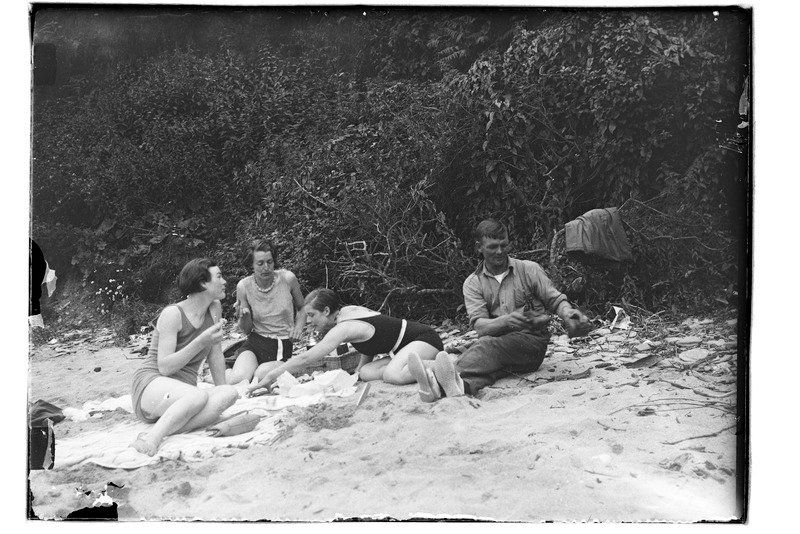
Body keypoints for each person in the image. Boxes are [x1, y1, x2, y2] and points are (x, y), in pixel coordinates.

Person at [408, 218, 590, 402]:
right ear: (479, 247)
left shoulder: (529, 269)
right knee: (491, 368)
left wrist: (568, 314)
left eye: (504, 245)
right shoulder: (473, 283)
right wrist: (508, 320)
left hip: (531, 346)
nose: (500, 251)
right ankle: (458, 387)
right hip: (497, 347)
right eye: (493, 246)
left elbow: (556, 300)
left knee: (486, 346)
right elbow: (480, 326)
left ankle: (437, 379)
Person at [130, 258, 239, 456]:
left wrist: (221, 388)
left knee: (229, 393)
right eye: (219, 277)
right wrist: (199, 341)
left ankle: (167, 426)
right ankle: (152, 438)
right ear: (202, 283)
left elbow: (215, 355)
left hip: (183, 397)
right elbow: (164, 367)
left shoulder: (214, 308)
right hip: (153, 385)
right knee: (198, 395)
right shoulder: (173, 313)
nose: (225, 282)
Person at [246, 288, 444, 394]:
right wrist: (358, 371)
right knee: (365, 373)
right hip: (402, 348)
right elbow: (373, 341)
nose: (309, 321)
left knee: (393, 375)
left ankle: (441, 366)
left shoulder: (343, 327)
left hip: (424, 339)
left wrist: (271, 377)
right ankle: (417, 367)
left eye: (312, 315)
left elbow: (307, 358)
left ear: (326, 311)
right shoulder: (346, 312)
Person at [226, 239, 307, 385]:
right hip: (255, 341)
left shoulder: (287, 279)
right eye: (260, 263)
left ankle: (250, 371)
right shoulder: (244, 286)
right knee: (238, 380)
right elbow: (246, 330)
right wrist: (244, 317)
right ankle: (231, 373)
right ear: (251, 265)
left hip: (280, 344)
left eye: (269, 262)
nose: (266, 267)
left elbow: (302, 308)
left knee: (260, 376)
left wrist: (298, 328)